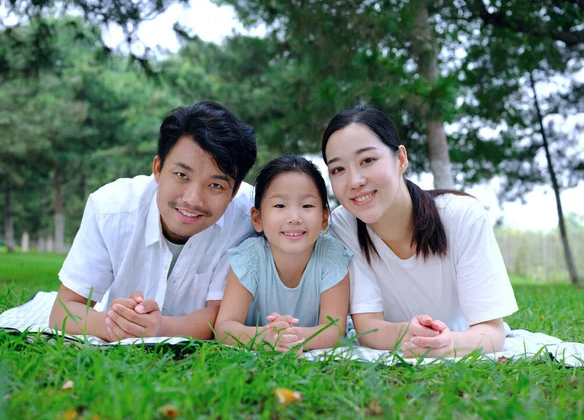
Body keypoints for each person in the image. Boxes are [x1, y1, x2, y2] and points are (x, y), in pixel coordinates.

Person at [49, 101, 257, 342]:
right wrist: (117, 324)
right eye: (181, 175)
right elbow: (64, 310)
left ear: (234, 192)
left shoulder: (249, 219)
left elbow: (222, 317)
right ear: (158, 168)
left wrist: (157, 328)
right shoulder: (110, 208)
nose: (192, 200)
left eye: (215, 185)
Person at [321, 105, 518, 357]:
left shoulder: (462, 216)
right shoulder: (344, 224)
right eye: (338, 169)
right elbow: (367, 329)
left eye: (367, 160)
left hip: (461, 339)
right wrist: (409, 333)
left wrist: (448, 344)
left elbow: (491, 333)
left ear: (400, 159)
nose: (354, 181)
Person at [214, 155, 351, 352]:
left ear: (324, 217)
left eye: (307, 206)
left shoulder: (332, 255)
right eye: (280, 206)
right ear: (257, 218)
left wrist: (289, 338)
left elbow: (334, 331)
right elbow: (224, 328)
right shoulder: (250, 257)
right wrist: (266, 337)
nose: (294, 218)